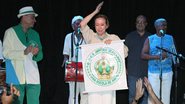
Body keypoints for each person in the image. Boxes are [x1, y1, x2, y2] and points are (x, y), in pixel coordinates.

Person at [79, 1, 128, 104]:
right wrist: (95, 12)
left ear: (107, 26)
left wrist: (113, 46)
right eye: (97, 25)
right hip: (94, 80)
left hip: (109, 80)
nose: (99, 27)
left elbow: (125, 52)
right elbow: (82, 24)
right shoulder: (91, 37)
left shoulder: (113, 38)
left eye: (102, 25)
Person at [2, 6, 43, 104]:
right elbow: (5, 53)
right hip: (15, 77)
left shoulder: (35, 34)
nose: (35, 20)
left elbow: (41, 55)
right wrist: (23, 52)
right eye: (32, 17)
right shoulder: (10, 32)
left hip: (33, 77)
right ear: (24, 17)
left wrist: (37, 54)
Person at [141, 18, 178, 104]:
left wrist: (176, 62)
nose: (165, 27)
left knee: (166, 97)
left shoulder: (170, 38)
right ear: (156, 27)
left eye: (166, 25)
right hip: (154, 72)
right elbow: (143, 55)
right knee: (153, 96)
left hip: (167, 71)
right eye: (163, 25)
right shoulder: (150, 39)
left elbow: (174, 53)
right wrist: (158, 56)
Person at [125, 15, 151, 104]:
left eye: (142, 22)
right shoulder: (129, 36)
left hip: (147, 73)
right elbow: (123, 53)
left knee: (146, 97)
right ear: (135, 24)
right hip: (132, 73)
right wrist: (124, 68)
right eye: (138, 22)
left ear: (146, 24)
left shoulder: (151, 37)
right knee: (133, 96)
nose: (140, 24)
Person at [62, 16, 88, 104]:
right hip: (72, 68)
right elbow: (66, 52)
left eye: (81, 24)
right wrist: (65, 59)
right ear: (73, 26)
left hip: (85, 68)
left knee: (85, 94)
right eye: (77, 24)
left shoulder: (87, 36)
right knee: (73, 94)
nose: (79, 26)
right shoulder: (68, 37)